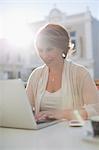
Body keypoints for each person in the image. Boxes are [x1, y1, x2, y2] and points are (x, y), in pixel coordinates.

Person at [26, 24, 99, 122]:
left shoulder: (80, 73)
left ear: (62, 47)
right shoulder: (35, 75)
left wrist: (61, 114)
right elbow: (24, 108)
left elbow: (95, 109)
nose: (44, 56)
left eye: (49, 49)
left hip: (72, 133)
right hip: (41, 134)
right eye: (40, 50)